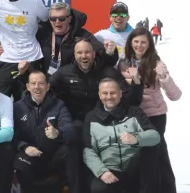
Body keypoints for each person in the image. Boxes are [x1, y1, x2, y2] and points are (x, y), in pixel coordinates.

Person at [50, 40, 142, 193]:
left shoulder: (108, 72)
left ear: (93, 54)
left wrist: (137, 84)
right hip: (77, 121)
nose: (83, 56)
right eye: (80, 53)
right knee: (73, 145)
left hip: (102, 121)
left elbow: (127, 96)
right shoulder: (64, 72)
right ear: (74, 55)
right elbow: (48, 90)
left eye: (87, 52)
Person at [117, 27, 180, 193]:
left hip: (154, 117)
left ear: (149, 45)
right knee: (154, 157)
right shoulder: (123, 62)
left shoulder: (156, 64)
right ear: (130, 42)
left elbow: (175, 95)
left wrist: (164, 78)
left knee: (150, 158)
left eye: (143, 42)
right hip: (132, 118)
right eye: (136, 41)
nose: (139, 45)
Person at [83, 78, 160, 192]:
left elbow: (155, 136)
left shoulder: (134, 111)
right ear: (99, 95)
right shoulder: (91, 117)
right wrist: (102, 172)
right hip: (109, 168)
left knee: (150, 153)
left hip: (134, 166)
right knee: (98, 188)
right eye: (105, 93)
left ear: (120, 94)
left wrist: (136, 138)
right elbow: (88, 151)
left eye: (113, 93)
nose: (109, 97)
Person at [13, 70, 75, 193]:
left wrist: (57, 133)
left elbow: (70, 128)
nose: (37, 87)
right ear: (28, 86)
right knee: (19, 161)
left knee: (70, 150)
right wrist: (24, 146)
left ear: (47, 86)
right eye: (33, 83)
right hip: (31, 154)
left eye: (41, 83)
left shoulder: (59, 105)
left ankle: (66, 188)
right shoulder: (17, 107)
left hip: (53, 156)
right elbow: (12, 134)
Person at [38, 4, 117, 77]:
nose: (57, 22)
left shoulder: (83, 35)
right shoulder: (42, 34)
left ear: (69, 19)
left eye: (62, 18)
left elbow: (106, 58)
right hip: (45, 83)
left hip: (72, 83)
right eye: (53, 18)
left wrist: (109, 53)